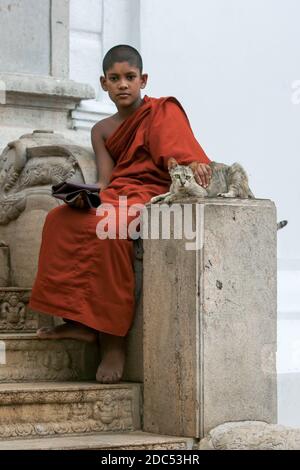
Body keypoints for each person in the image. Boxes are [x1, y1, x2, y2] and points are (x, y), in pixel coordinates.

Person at [29, 45, 212, 384]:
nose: (123, 85)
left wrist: (194, 164)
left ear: (143, 80)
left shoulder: (162, 111)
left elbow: (182, 156)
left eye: (130, 77)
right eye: (115, 79)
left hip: (151, 194)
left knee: (108, 229)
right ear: (103, 83)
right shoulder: (101, 129)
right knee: (58, 220)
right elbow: (104, 180)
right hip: (118, 194)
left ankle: (113, 341)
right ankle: (79, 323)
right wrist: (81, 197)